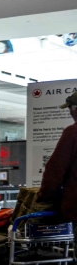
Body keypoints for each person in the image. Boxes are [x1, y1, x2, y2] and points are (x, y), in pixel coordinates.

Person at [38, 91, 77, 222]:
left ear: (74, 109)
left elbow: (55, 169)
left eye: (70, 109)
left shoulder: (73, 132)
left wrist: (44, 195)